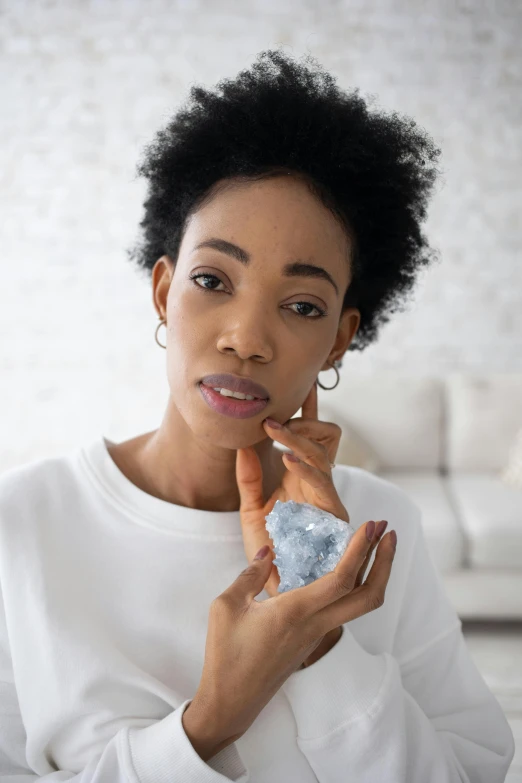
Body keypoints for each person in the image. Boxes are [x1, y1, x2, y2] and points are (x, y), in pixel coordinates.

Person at [0, 48, 515, 782]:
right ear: (162, 291)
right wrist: (212, 719)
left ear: (340, 336)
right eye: (213, 280)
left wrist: (317, 630)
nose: (246, 337)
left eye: (302, 305)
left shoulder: (374, 530)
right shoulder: (21, 521)